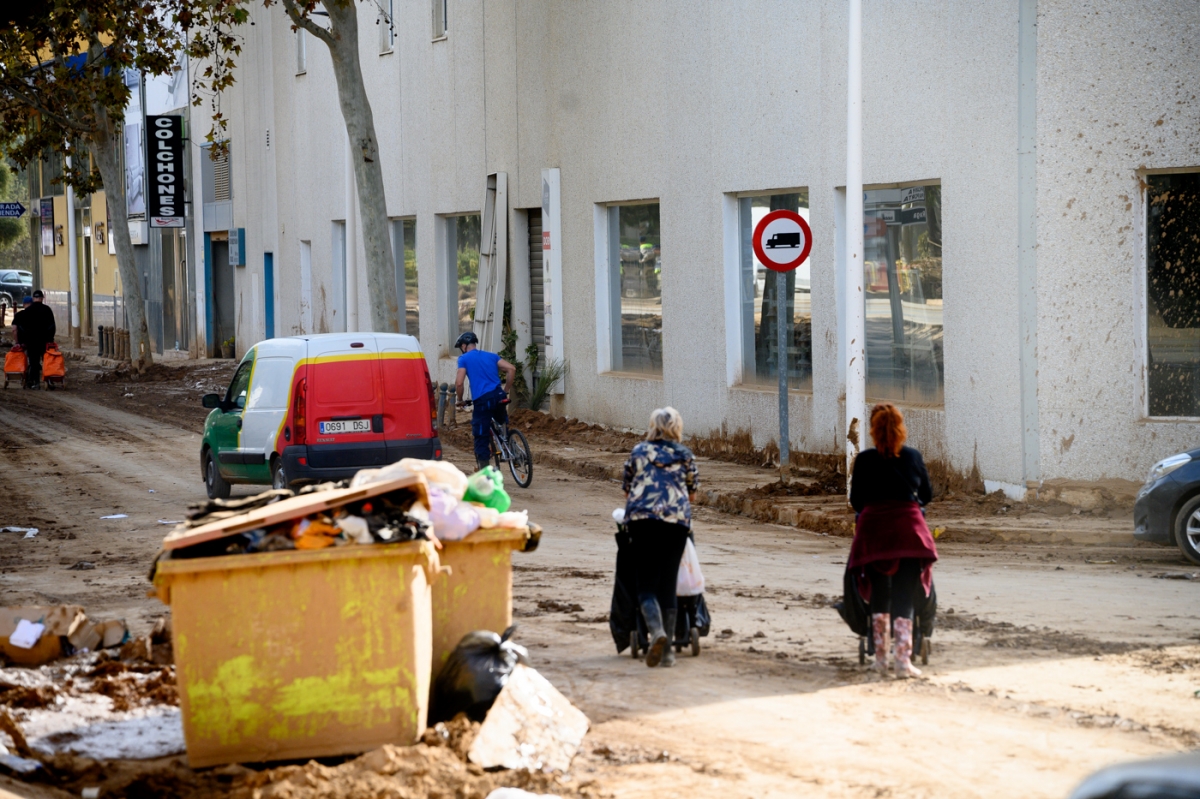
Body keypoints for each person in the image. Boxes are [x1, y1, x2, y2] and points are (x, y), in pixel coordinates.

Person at [847, 403, 938, 678]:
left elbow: (856, 501)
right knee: (904, 596)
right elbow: (927, 495)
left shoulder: (864, 460)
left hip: (874, 533)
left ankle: (880, 661)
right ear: (901, 429)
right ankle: (903, 662)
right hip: (908, 533)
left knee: (879, 594)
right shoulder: (912, 456)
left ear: (873, 430)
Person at [621, 407, 699, 668]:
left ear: (652, 426)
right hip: (675, 524)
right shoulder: (685, 454)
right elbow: (692, 494)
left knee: (646, 585)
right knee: (668, 584)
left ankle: (657, 632)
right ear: (677, 427)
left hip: (642, 523)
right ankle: (668, 654)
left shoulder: (638, 451)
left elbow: (627, 490)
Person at [454, 331, 517, 473]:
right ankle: (512, 450)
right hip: (499, 395)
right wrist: (506, 389)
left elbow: (459, 383)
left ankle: (484, 471)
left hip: (483, 400)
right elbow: (511, 368)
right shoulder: (491, 356)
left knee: (481, 435)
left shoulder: (463, 359)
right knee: (502, 424)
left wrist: (460, 400)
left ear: (463, 346)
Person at [12, 291, 55, 389]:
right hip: (45, 341)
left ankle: (36, 383)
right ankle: (48, 381)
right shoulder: (47, 310)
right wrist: (50, 339)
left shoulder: (27, 311)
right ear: (42, 298)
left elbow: (21, 328)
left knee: (34, 362)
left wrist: (22, 341)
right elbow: (52, 326)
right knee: (47, 361)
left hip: (31, 341)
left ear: (33, 298)